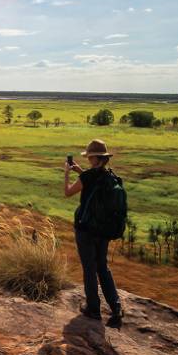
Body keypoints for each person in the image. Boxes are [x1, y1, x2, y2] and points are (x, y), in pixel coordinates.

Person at [64, 139, 123, 327]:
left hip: (86, 230)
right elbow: (92, 183)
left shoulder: (88, 177)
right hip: (103, 230)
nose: (89, 159)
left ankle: (93, 309)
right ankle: (116, 308)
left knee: (89, 268)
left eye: (90, 157)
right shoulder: (110, 176)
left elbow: (68, 192)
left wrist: (67, 173)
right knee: (102, 267)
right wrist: (80, 171)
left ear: (95, 158)